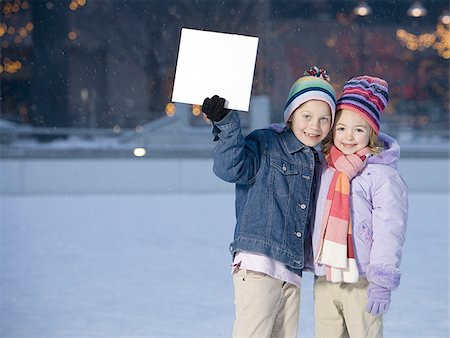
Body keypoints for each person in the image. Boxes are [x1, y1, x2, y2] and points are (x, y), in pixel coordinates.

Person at [201, 66, 336, 338]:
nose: (314, 126)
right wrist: (227, 124)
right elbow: (229, 168)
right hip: (259, 264)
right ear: (291, 116)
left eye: (324, 119)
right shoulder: (266, 142)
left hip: (292, 270)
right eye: (307, 116)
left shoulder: (318, 160)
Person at [311, 76, 408, 338]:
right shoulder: (325, 168)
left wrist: (382, 281)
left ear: (371, 133)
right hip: (326, 277)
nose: (348, 137)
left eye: (358, 129)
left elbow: (390, 228)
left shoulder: (382, 176)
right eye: (341, 128)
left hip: (362, 279)